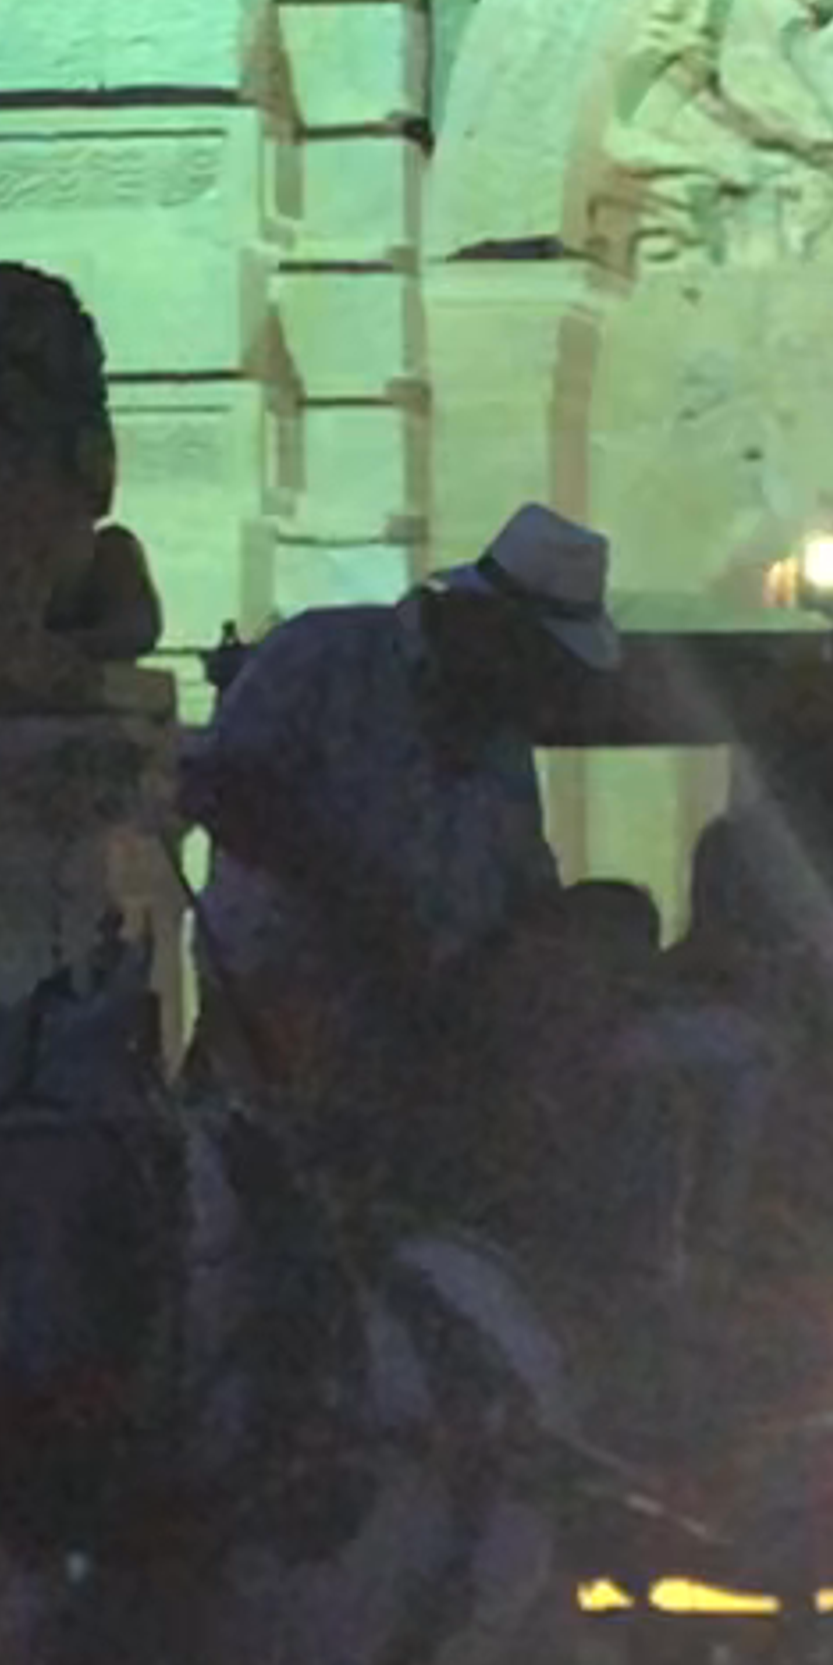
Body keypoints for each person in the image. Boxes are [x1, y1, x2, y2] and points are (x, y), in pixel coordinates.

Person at [176, 502, 623, 1219]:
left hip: (428, 1056)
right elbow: (216, 786)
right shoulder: (322, 655)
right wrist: (345, 891)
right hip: (275, 1038)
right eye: (541, 661)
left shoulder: (502, 748)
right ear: (493, 627)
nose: (543, 691)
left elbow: (522, 892)